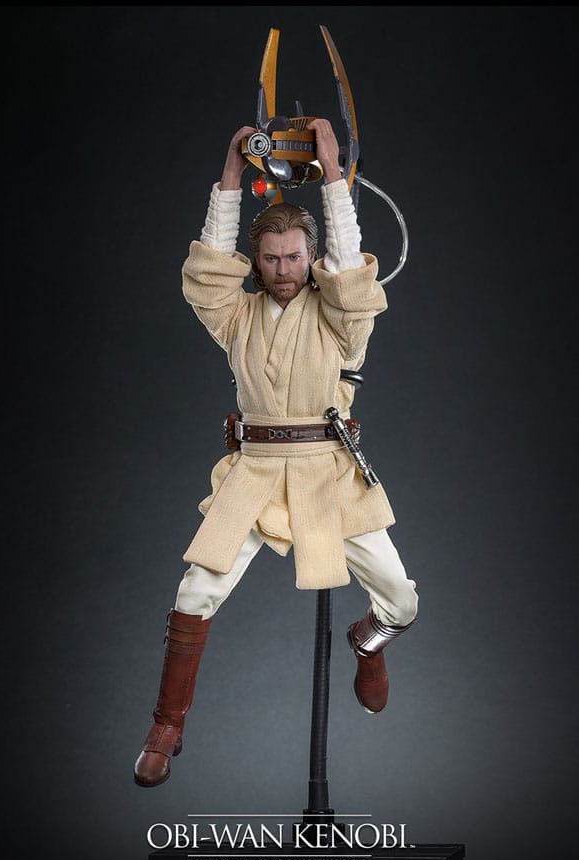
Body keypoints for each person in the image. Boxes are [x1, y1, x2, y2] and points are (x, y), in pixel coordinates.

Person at [134, 119, 418, 788]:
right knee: (195, 591)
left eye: (294, 257)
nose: (284, 270)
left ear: (311, 257)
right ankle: (167, 724)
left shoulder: (342, 321)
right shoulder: (238, 318)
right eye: (271, 259)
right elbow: (208, 275)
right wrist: (232, 174)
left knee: (401, 603)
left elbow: (350, 273)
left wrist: (334, 178)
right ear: (256, 261)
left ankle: (367, 642)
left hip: (328, 472)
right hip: (256, 471)